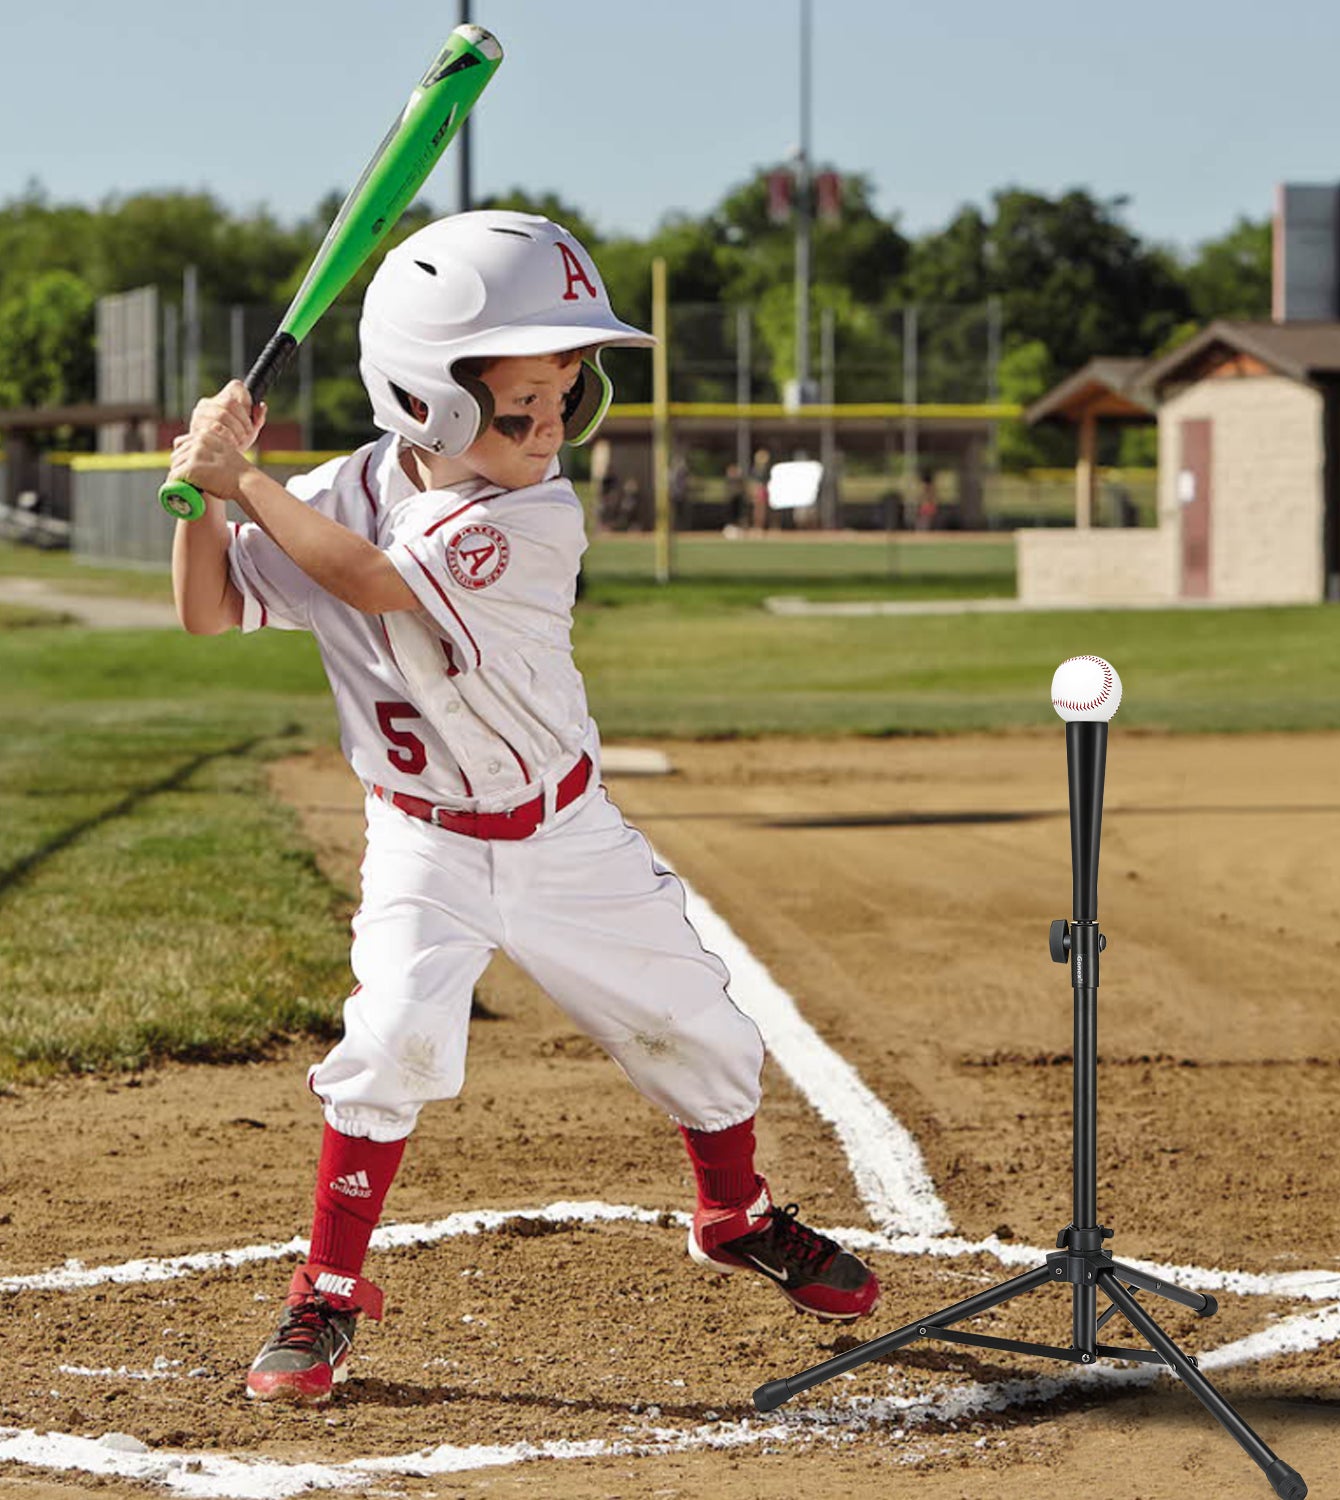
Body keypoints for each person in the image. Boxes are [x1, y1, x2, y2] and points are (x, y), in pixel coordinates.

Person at [167, 210, 880, 1406]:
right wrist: (198, 500)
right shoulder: (334, 490)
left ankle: (734, 1211)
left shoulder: (532, 515)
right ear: (427, 402)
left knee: (699, 1032)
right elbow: (209, 611)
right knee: (390, 1038)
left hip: (562, 832)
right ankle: (326, 1295)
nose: (552, 427)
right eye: (521, 405)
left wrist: (245, 484)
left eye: (569, 395)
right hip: (423, 839)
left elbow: (375, 579)